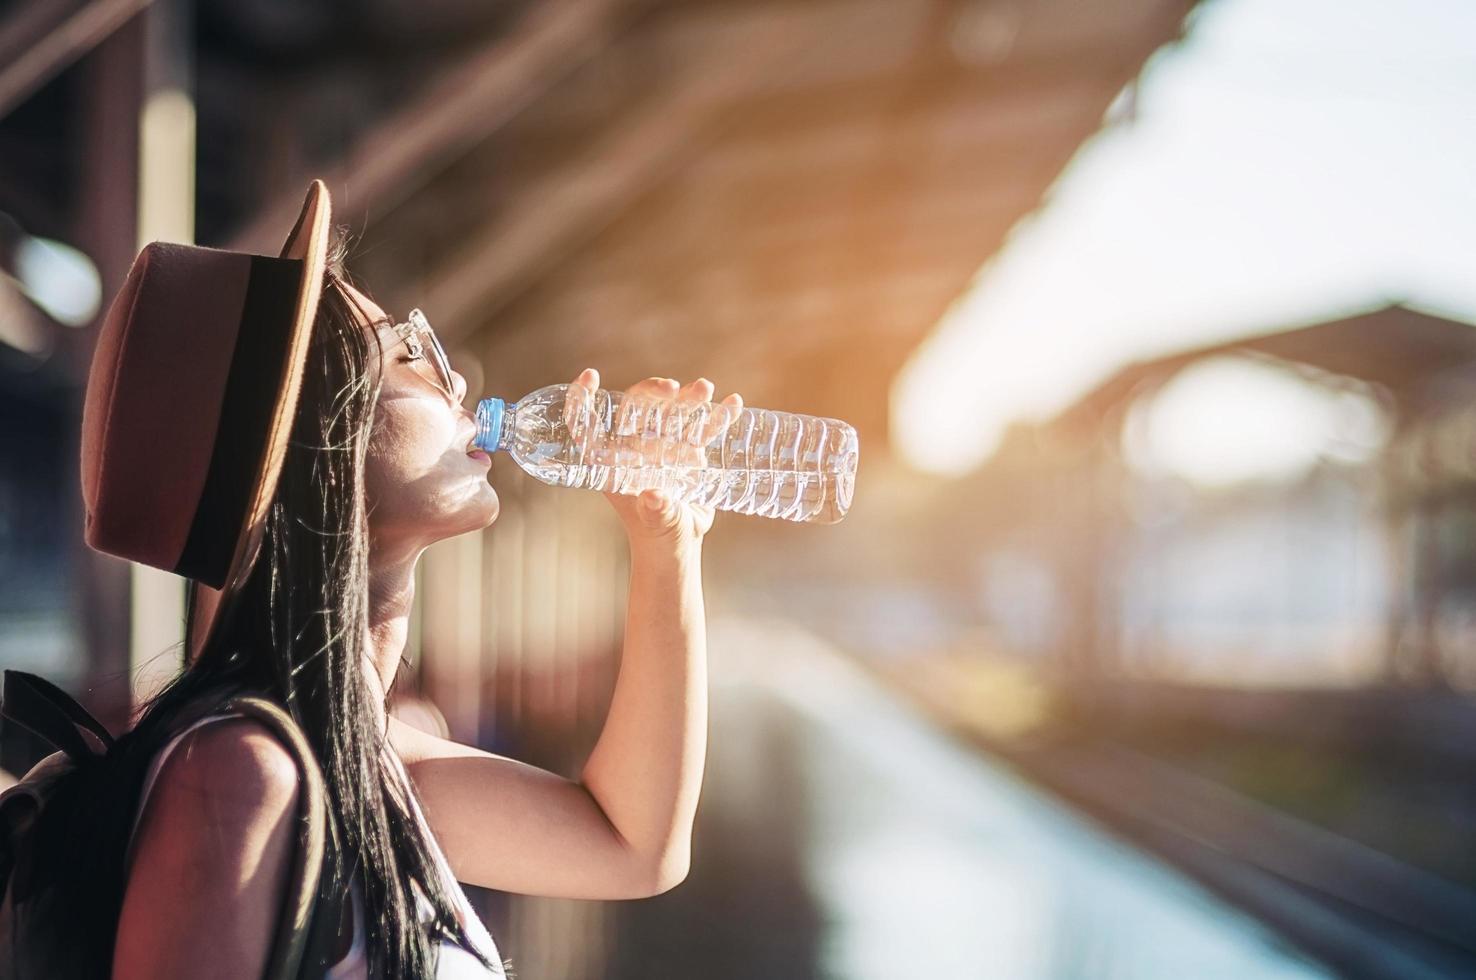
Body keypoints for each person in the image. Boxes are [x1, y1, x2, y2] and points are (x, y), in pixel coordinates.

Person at [68, 180, 742, 978]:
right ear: (320, 444)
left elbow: (633, 846)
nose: (455, 380)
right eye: (407, 353)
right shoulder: (241, 778)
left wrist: (666, 546)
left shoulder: (365, 761)